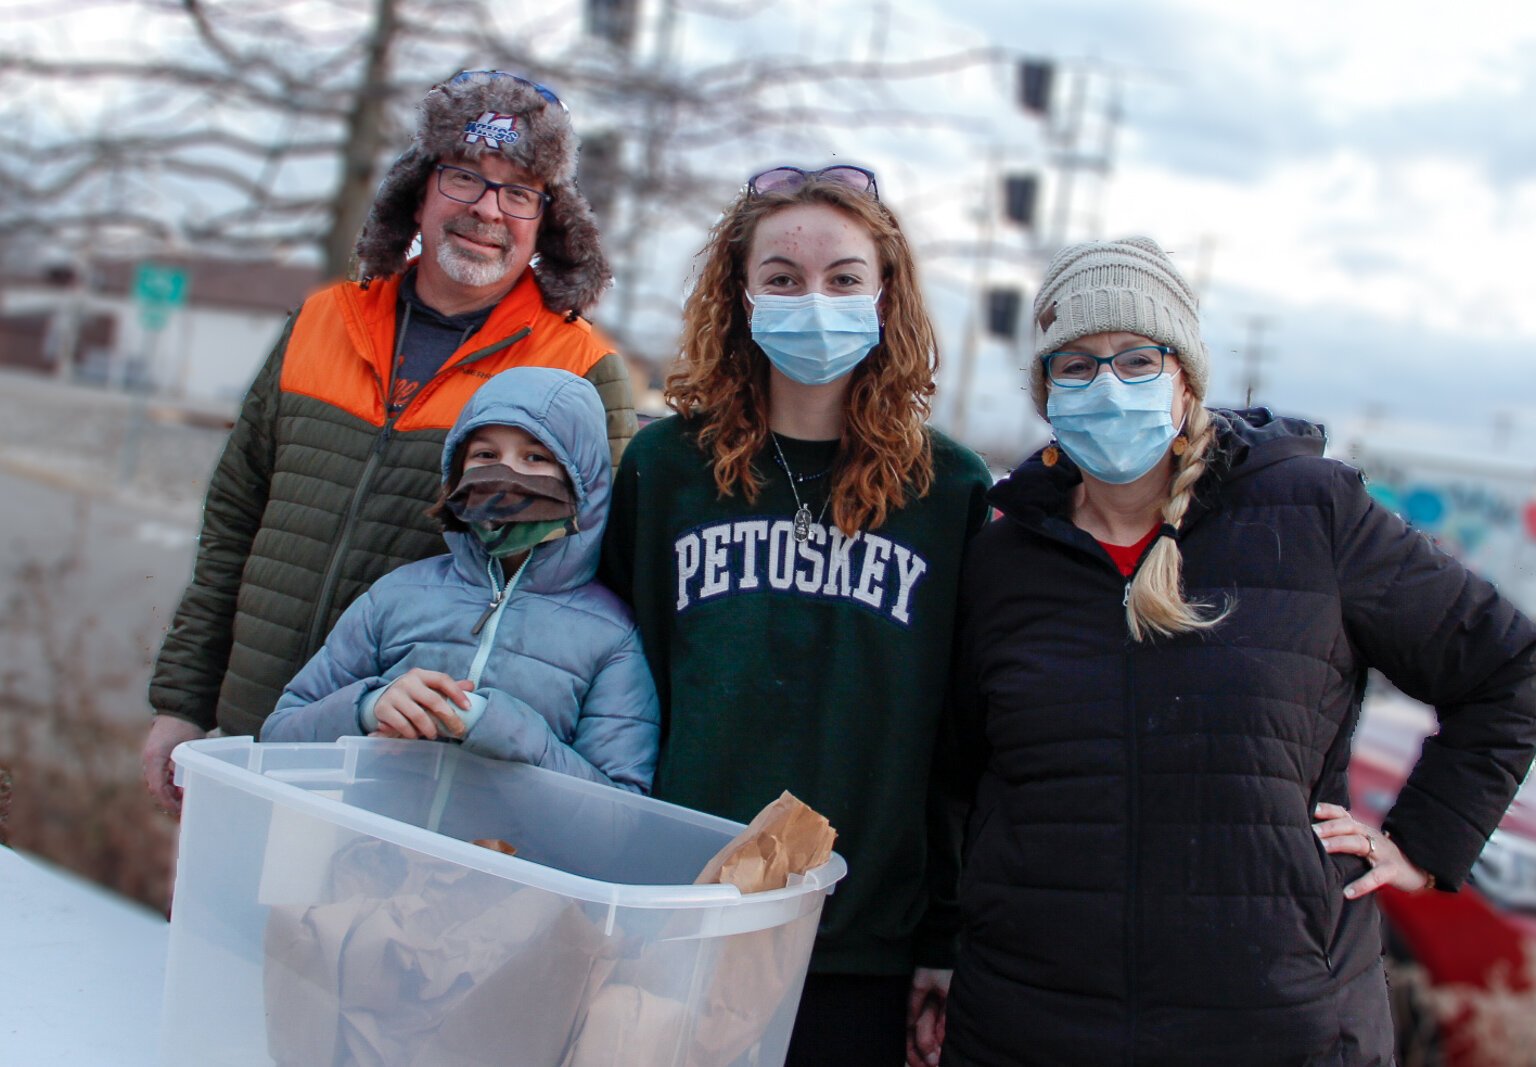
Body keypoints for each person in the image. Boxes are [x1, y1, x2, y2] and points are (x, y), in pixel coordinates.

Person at [925, 237, 1536, 1066]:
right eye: (1074, 366)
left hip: (1277, 1026)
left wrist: (1424, 847)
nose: (1106, 385)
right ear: (1046, 391)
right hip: (1030, 1025)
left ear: (1185, 378)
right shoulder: (1004, 559)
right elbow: (956, 780)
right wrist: (939, 945)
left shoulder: (1311, 514)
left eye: (1136, 359)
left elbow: (1503, 667)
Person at [143, 70, 638, 813]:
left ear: (548, 219)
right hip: (256, 736)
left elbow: (590, 574)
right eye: (464, 178)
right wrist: (182, 700)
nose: (487, 210)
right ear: (420, 188)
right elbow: (231, 526)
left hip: (419, 779)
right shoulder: (321, 322)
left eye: (519, 191)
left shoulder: (580, 370)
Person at [600, 164, 992, 1064]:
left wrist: (943, 935)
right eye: (782, 278)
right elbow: (616, 682)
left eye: (843, 278)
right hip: (678, 914)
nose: (814, 301)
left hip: (858, 939)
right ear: (740, 297)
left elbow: (961, 742)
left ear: (886, 296)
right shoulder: (665, 470)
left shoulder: (951, 490)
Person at [259, 366, 658, 792]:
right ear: (456, 471)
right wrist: (368, 707)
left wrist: (503, 729)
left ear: (585, 481)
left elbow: (618, 816)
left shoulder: (613, 637)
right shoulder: (395, 597)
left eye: (535, 458)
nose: (506, 476)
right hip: (368, 853)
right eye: (485, 456)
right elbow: (279, 737)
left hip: (503, 857)